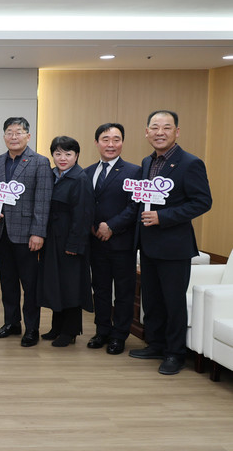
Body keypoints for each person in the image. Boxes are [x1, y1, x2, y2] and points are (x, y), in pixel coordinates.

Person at [129, 110, 212, 375]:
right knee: (152, 299)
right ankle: (156, 344)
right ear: (147, 132)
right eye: (154, 127)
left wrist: (162, 217)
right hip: (148, 244)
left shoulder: (190, 163)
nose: (160, 132)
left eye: (166, 127)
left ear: (177, 132)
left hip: (174, 246)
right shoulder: (147, 162)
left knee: (173, 302)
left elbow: (202, 202)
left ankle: (175, 354)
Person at [0, 117, 53, 347]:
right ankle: (11, 323)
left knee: (30, 284)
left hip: (27, 235)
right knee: (7, 282)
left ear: (28, 136)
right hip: (2, 232)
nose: (13, 137)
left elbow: (42, 200)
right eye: (9, 132)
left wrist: (38, 233)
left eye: (18, 132)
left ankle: (32, 328)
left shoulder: (40, 162)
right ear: (4, 136)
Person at [83, 123, 140, 355]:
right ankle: (102, 331)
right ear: (96, 143)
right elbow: (84, 204)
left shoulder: (134, 171)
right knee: (101, 290)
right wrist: (90, 225)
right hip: (95, 242)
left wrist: (112, 226)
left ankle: (119, 335)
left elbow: (135, 206)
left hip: (122, 242)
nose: (111, 144)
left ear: (122, 143)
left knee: (124, 292)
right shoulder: (87, 172)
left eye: (116, 139)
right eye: (105, 139)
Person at [39, 136, 94, 347]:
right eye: (58, 153)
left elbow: (83, 215)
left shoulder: (80, 178)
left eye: (68, 154)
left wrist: (75, 244)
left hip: (70, 240)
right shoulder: (52, 175)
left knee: (71, 286)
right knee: (56, 283)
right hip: (53, 239)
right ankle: (57, 326)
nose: (63, 158)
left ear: (76, 155)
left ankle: (70, 331)